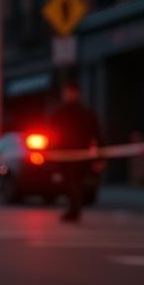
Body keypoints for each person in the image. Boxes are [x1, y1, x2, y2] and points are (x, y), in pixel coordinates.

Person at [48, 81, 102, 223]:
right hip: (65, 154)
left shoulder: (84, 112)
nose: (68, 95)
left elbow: (97, 133)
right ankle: (74, 209)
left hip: (78, 154)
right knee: (71, 182)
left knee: (74, 182)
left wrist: (100, 155)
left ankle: (74, 210)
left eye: (69, 92)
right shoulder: (60, 112)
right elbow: (51, 132)